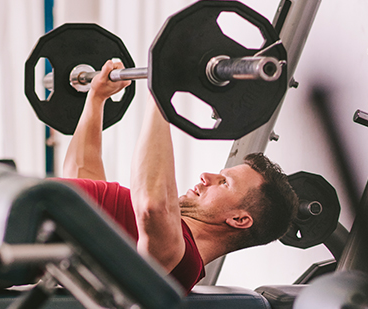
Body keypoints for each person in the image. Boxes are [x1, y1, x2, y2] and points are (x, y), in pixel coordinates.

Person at [61, 60, 299, 294]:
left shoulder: (182, 261)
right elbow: (80, 181)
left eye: (224, 183)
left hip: (27, 220)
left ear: (239, 219)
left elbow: (153, 204)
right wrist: (96, 98)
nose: (206, 176)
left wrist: (160, 95)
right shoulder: (154, 237)